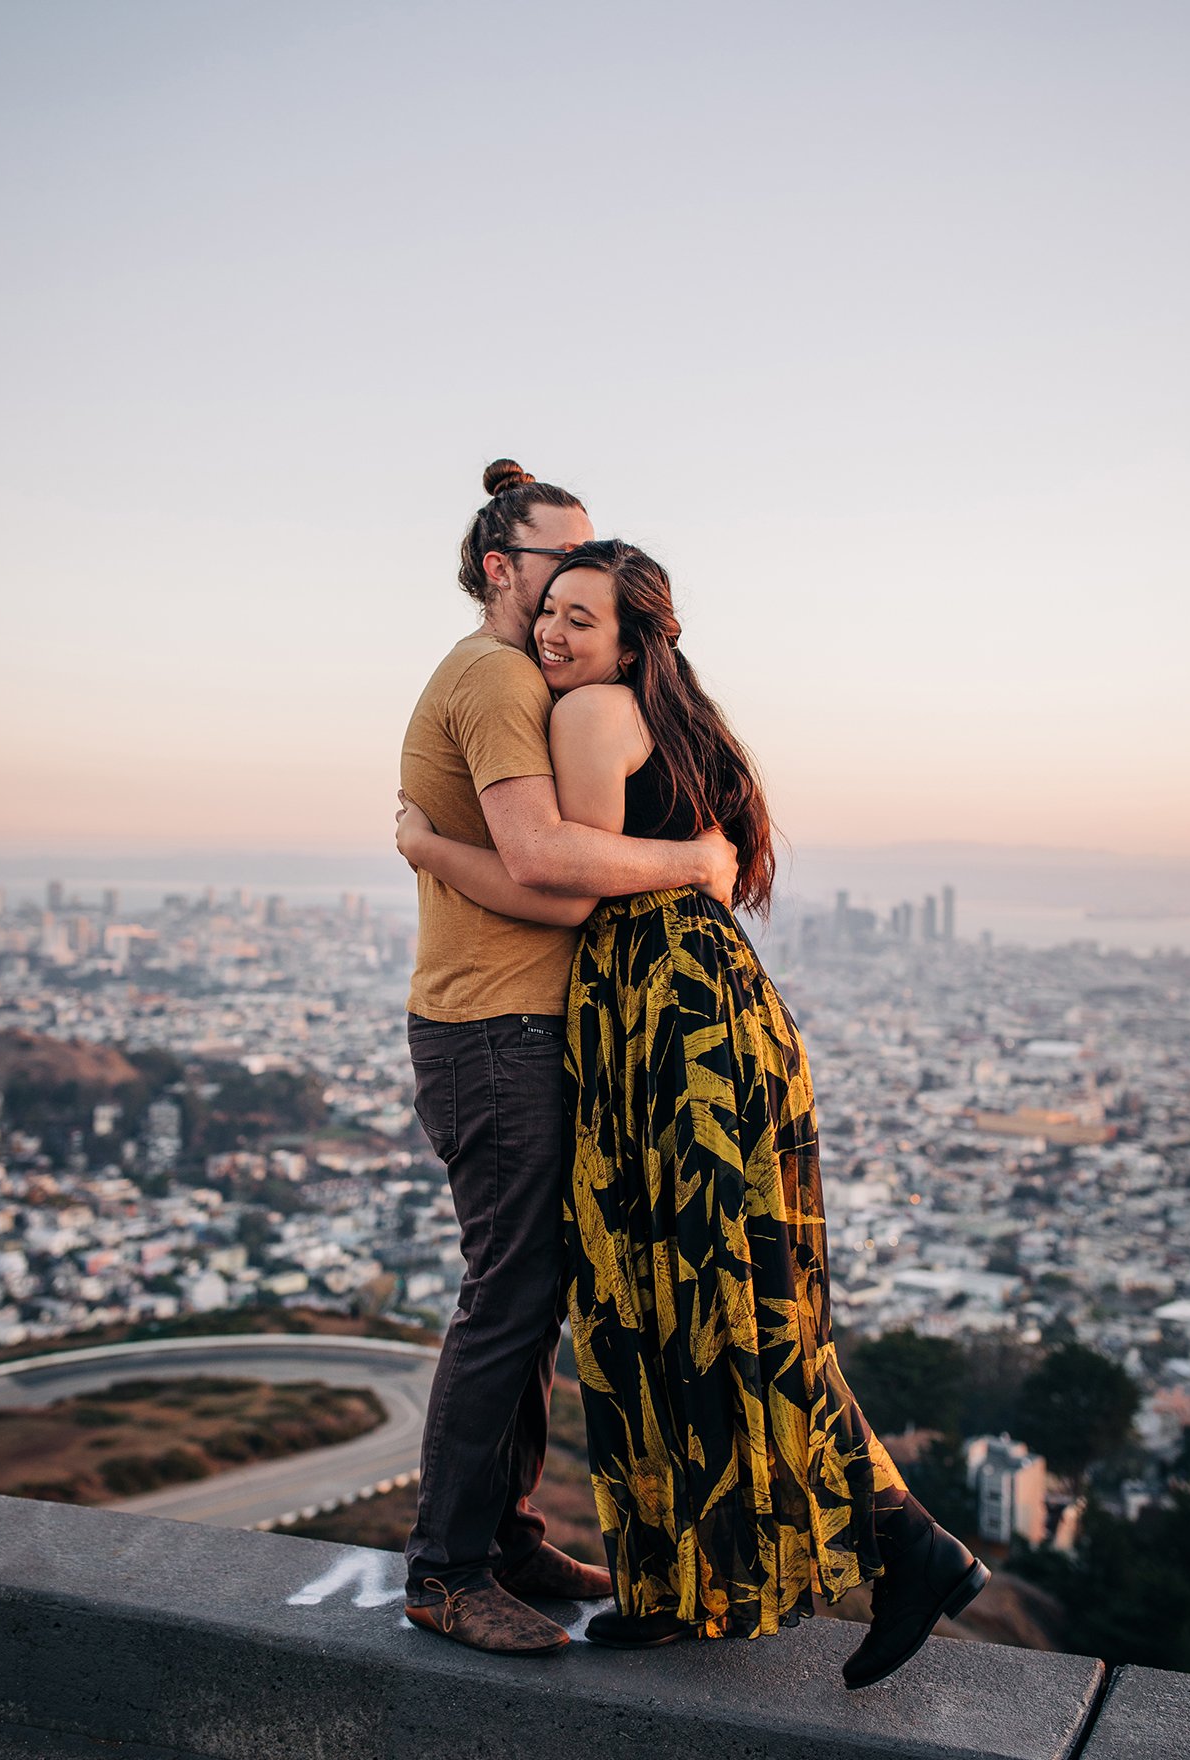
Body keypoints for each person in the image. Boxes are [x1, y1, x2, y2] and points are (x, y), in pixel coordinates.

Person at [396, 538, 989, 1689]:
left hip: (661, 1027)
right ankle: (688, 1589)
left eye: (583, 618)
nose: (556, 636)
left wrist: (430, 846)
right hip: (715, 1014)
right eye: (551, 611)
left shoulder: (584, 713)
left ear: (634, 637)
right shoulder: (683, 718)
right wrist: (687, 862)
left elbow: (560, 877)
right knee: (681, 1298)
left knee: (716, 1301)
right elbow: (679, 862)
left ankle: (906, 1541)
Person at [398, 467, 740, 1659]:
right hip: (495, 1029)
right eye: (557, 564)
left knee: (535, 1295)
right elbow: (549, 868)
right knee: (509, 1299)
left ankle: (506, 1539)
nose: (566, 593)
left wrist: (432, 844)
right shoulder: (497, 679)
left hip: (513, 1027)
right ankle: (445, 1570)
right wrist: (694, 861)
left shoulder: (508, 677)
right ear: (504, 568)